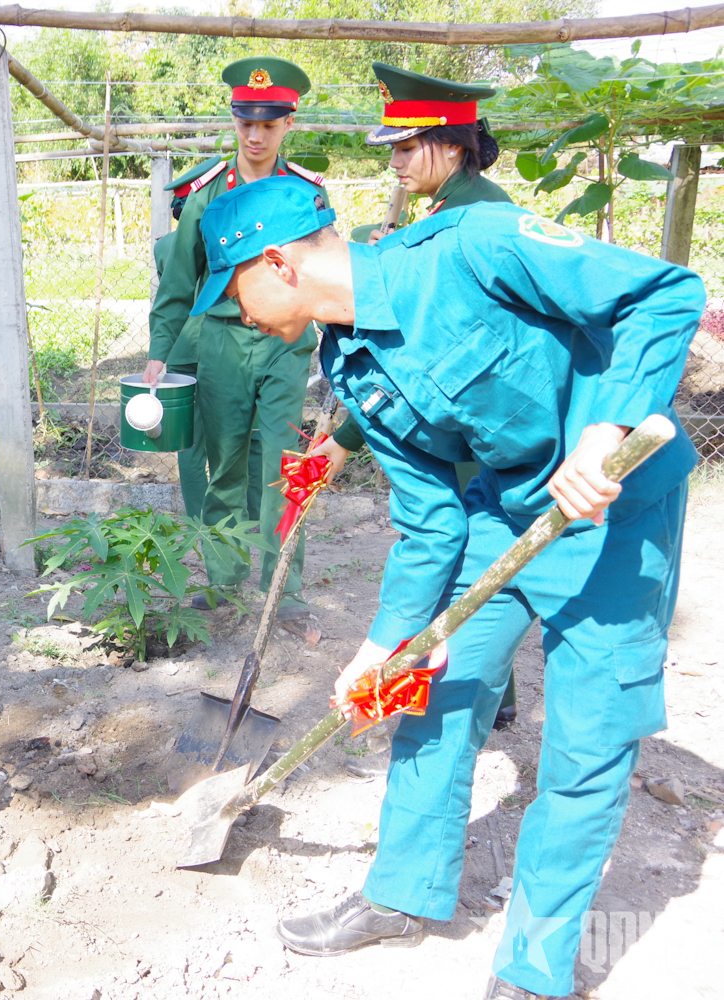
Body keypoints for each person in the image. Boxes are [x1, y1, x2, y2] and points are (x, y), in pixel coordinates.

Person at [189, 175, 699, 1000]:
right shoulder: (348, 362)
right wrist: (383, 643)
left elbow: (666, 294)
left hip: (619, 508)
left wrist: (605, 426)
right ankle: (401, 894)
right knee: (427, 688)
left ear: (277, 263)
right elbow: (429, 521)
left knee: (585, 741)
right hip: (505, 507)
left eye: (235, 290)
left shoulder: (474, 245)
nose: (237, 312)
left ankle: (534, 968)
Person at [323, 64, 524, 751]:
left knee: (471, 563)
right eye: (393, 149)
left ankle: (471, 697)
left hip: (484, 431)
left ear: (453, 145)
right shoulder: (442, 208)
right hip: (468, 422)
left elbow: (430, 358)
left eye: (407, 148)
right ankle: (476, 693)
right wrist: (347, 437)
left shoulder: (479, 221)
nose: (396, 163)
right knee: (470, 564)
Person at [147, 56, 327, 619]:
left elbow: (324, 273)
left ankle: (284, 594)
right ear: (234, 119)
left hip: (286, 344)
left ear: (288, 125)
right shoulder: (204, 197)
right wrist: (158, 355)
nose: (255, 135)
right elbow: (179, 282)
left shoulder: (308, 195)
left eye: (268, 125)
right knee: (224, 468)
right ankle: (225, 580)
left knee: (281, 464)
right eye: (246, 122)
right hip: (222, 343)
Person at [150, 156, 221, 520]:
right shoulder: (227, 240)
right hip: (221, 347)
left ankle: (198, 523)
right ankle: (233, 524)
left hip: (179, 351)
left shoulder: (164, 247)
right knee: (229, 442)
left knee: (189, 448)